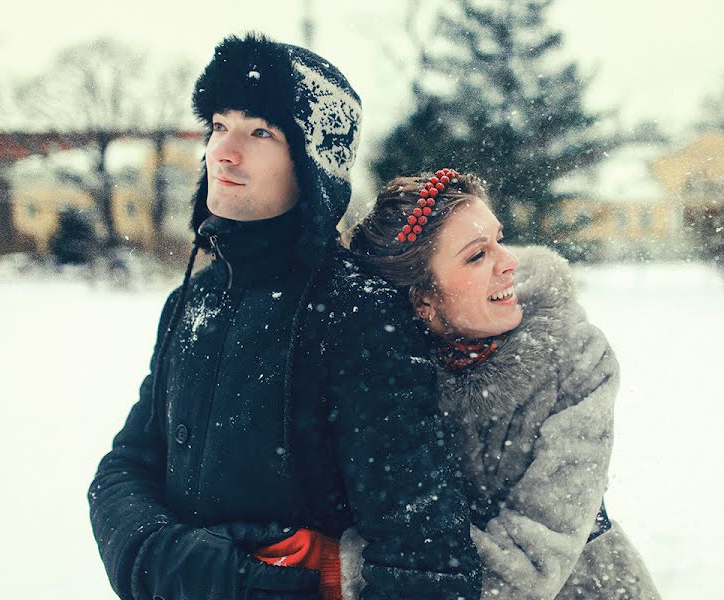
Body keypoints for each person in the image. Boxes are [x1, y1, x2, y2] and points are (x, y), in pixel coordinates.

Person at [87, 35, 480, 600]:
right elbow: (123, 468)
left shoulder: (360, 314)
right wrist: (176, 565)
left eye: (259, 132)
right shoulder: (191, 301)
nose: (224, 151)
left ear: (315, 169)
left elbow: (425, 557)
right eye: (219, 126)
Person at [332, 170, 661, 599]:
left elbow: (532, 562)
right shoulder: (386, 378)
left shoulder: (576, 359)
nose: (508, 262)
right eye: (476, 256)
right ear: (423, 300)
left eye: (498, 239)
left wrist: (349, 570)